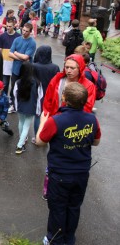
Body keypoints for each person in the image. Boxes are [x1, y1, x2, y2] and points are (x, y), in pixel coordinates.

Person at [36, 82, 101, 245]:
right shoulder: (92, 119)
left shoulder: (55, 120)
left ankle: (55, 240)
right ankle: (69, 238)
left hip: (60, 174)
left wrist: (43, 121)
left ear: (64, 98)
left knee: (57, 208)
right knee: (73, 207)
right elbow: (96, 142)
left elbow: (40, 142)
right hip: (81, 173)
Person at [13, 62, 42, 154]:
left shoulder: (18, 82)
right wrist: (38, 109)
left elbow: (14, 94)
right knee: (26, 126)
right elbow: (40, 97)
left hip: (21, 106)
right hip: (31, 107)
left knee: (21, 122)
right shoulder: (37, 83)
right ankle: (19, 146)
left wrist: (16, 106)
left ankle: (22, 140)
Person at [8, 23, 36, 113]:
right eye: (23, 30)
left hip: (25, 71)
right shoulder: (17, 39)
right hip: (15, 69)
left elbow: (26, 57)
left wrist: (15, 53)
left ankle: (21, 104)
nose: (24, 32)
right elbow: (9, 54)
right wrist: (20, 57)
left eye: (26, 31)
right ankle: (13, 104)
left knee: (23, 87)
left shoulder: (32, 42)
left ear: (30, 32)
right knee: (13, 87)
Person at [0, 18, 20, 96]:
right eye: (7, 26)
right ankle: (4, 98)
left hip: (15, 63)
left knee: (14, 84)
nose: (8, 28)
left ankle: (12, 99)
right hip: (5, 64)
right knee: (5, 84)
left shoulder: (18, 37)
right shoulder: (1, 36)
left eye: (10, 26)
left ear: (14, 26)